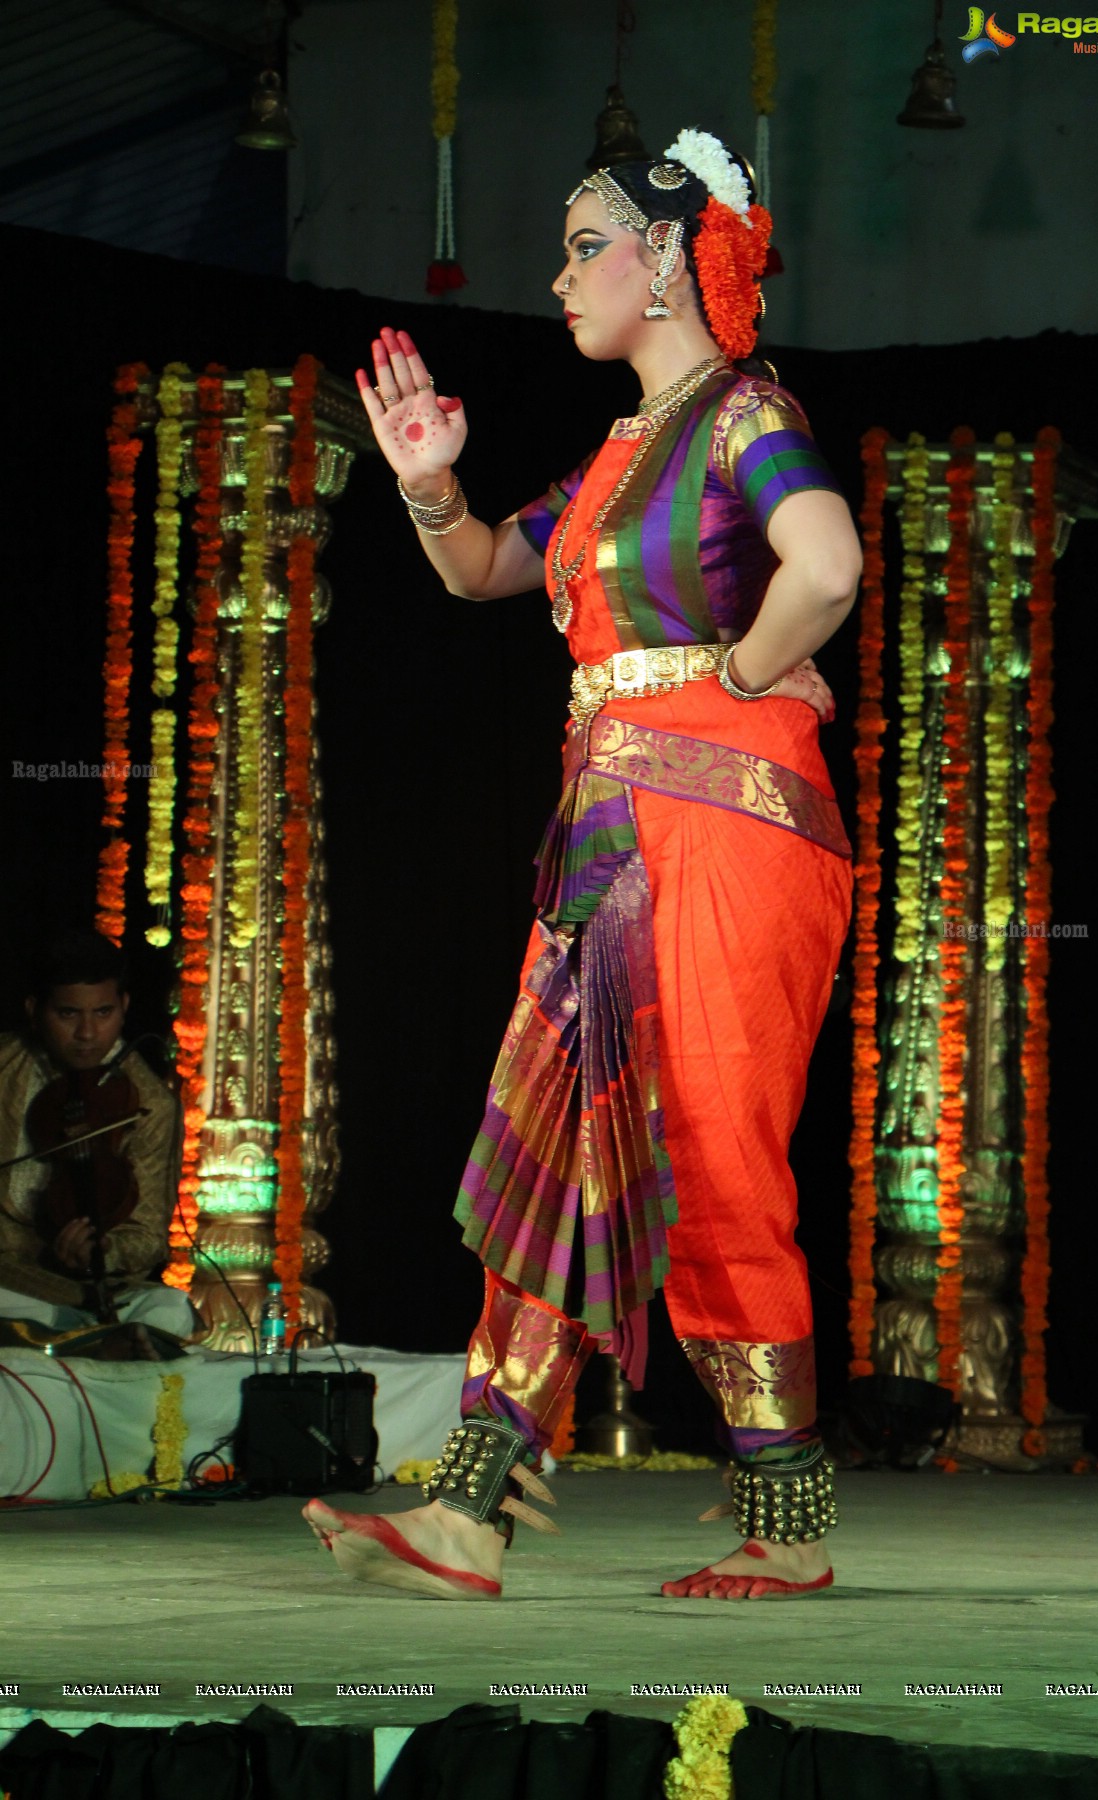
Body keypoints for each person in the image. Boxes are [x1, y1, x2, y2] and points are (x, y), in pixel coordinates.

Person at [304, 129, 861, 1601]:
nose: (560, 278)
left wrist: (740, 676)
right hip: (610, 837)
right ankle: (469, 1508)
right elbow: (490, 567)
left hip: (732, 825)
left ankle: (789, 1527)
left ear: (668, 256)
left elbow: (829, 563)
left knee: (719, 1162)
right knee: (562, 1139)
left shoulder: (747, 415)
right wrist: (431, 485)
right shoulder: (625, 450)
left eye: (583, 246)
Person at [0, 927, 196, 1341]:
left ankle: (68, 1330)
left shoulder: (151, 1104)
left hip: (78, 1288)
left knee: (169, 1309)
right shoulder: (4, 1066)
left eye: (103, 1013)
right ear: (35, 1010)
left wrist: (102, 1251)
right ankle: (75, 1335)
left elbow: (146, 1238)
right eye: (68, 1014)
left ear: (124, 1006)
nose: (88, 1034)